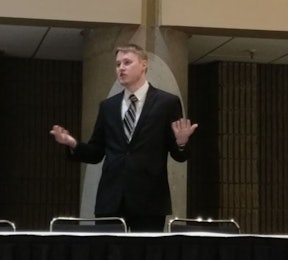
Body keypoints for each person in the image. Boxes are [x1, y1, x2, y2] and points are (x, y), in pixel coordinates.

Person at [50, 43, 198, 232]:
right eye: (118, 64)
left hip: (149, 199)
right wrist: (72, 143)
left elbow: (179, 155)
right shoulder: (108, 106)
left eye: (127, 62)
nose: (121, 68)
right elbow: (96, 153)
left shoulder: (167, 103)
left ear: (144, 64)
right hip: (111, 198)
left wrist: (182, 142)